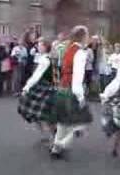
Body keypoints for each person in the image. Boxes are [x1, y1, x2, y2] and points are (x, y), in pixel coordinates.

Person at [50, 25, 93, 159]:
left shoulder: (68, 49)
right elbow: (78, 76)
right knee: (82, 123)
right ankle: (61, 143)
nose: (88, 38)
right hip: (71, 89)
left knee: (63, 121)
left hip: (62, 88)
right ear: (83, 37)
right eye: (87, 35)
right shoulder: (80, 52)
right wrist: (80, 96)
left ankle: (56, 149)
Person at [18, 40, 56, 142]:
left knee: (42, 115)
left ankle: (51, 136)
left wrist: (26, 87)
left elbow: (36, 75)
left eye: (40, 45)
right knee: (38, 115)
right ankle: (47, 135)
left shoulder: (45, 60)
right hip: (44, 87)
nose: (38, 47)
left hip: (44, 88)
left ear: (44, 47)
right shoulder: (45, 58)